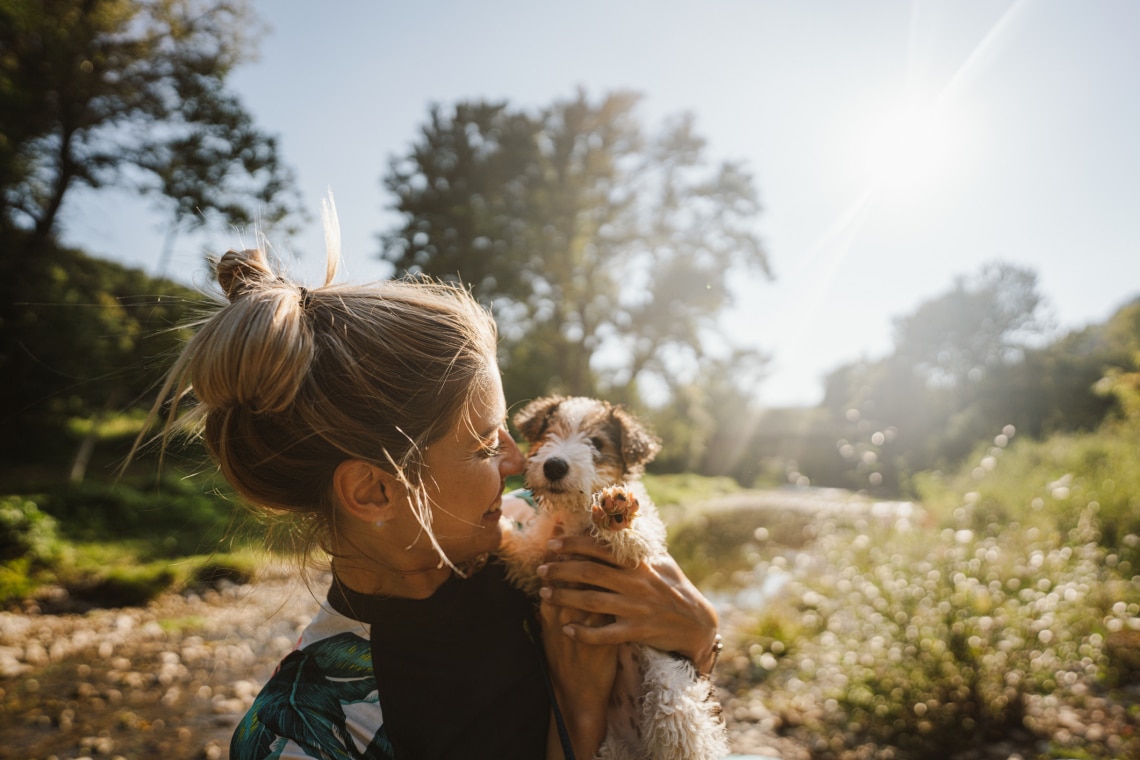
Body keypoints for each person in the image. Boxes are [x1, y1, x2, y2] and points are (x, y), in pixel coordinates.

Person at [148, 227, 721, 759]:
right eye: (481, 445)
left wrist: (697, 639)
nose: (520, 461)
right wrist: (578, 706)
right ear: (373, 490)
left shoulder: (528, 538)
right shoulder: (304, 732)